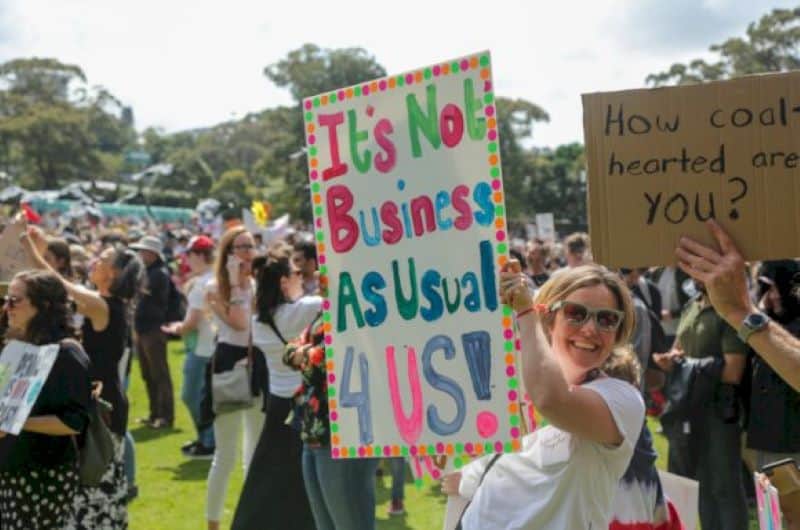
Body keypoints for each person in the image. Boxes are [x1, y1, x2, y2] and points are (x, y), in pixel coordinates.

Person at [442, 263, 644, 529]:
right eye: (576, 313)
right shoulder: (519, 379)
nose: (591, 329)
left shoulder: (622, 400)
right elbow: (517, 461)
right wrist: (468, 477)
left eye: (606, 319)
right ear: (550, 319)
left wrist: (526, 312)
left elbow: (552, 400)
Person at [21, 228, 146, 529]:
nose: (95, 261)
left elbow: (60, 286)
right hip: (101, 399)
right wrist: (41, 245)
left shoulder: (105, 306)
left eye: (103, 259)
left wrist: (30, 250)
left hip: (103, 406)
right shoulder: (103, 304)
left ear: (114, 275)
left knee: (95, 480)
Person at [231, 243, 318, 530]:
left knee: (268, 478)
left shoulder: (260, 319)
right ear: (283, 281)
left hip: (278, 404)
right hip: (303, 402)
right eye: (295, 272)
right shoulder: (303, 310)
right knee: (303, 478)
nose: (302, 276)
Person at [652, 279, 748, 530]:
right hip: (688, 408)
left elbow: (732, 371)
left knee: (724, 486)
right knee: (699, 483)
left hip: (719, 411)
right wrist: (671, 360)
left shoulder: (728, 309)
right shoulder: (692, 305)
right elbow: (679, 351)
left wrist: (683, 367)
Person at [0, 271, 91, 530]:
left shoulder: (65, 353)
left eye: (15, 300)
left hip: (43, 475)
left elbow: (75, 422)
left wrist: (17, 423)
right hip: (12, 471)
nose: (7, 307)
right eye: (7, 299)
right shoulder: (19, 347)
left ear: (44, 305)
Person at [676, 219, 800, 391]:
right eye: (765, 287)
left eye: (782, 286)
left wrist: (741, 312)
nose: (775, 295)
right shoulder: (693, 305)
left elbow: (733, 372)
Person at [285, 313, 381, 530]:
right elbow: (289, 351)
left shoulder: (361, 309)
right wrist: (309, 353)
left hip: (347, 437)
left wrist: (306, 353)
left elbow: (326, 362)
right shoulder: (325, 311)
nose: (318, 276)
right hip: (315, 432)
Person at [203, 227, 263, 530]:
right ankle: (213, 524)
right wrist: (236, 287)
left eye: (251, 245)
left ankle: (249, 520)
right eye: (240, 246)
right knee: (225, 453)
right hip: (229, 368)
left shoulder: (259, 285)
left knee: (254, 452)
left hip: (258, 370)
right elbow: (239, 325)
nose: (247, 252)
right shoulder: (219, 286)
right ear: (228, 252)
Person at [162, 235, 217, 459]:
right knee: (201, 397)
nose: (186, 260)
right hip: (208, 347)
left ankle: (208, 441)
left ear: (199, 255)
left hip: (202, 349)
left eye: (189, 254)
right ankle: (205, 439)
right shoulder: (211, 279)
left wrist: (176, 329)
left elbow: (192, 323)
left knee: (192, 396)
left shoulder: (202, 283)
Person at [130, 235, 174, 429]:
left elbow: (142, 297)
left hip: (153, 328)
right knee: (148, 374)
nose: (140, 254)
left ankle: (165, 416)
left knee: (159, 374)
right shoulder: (149, 272)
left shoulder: (158, 274)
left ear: (153, 253)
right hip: (144, 328)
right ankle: (154, 413)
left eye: (144, 251)